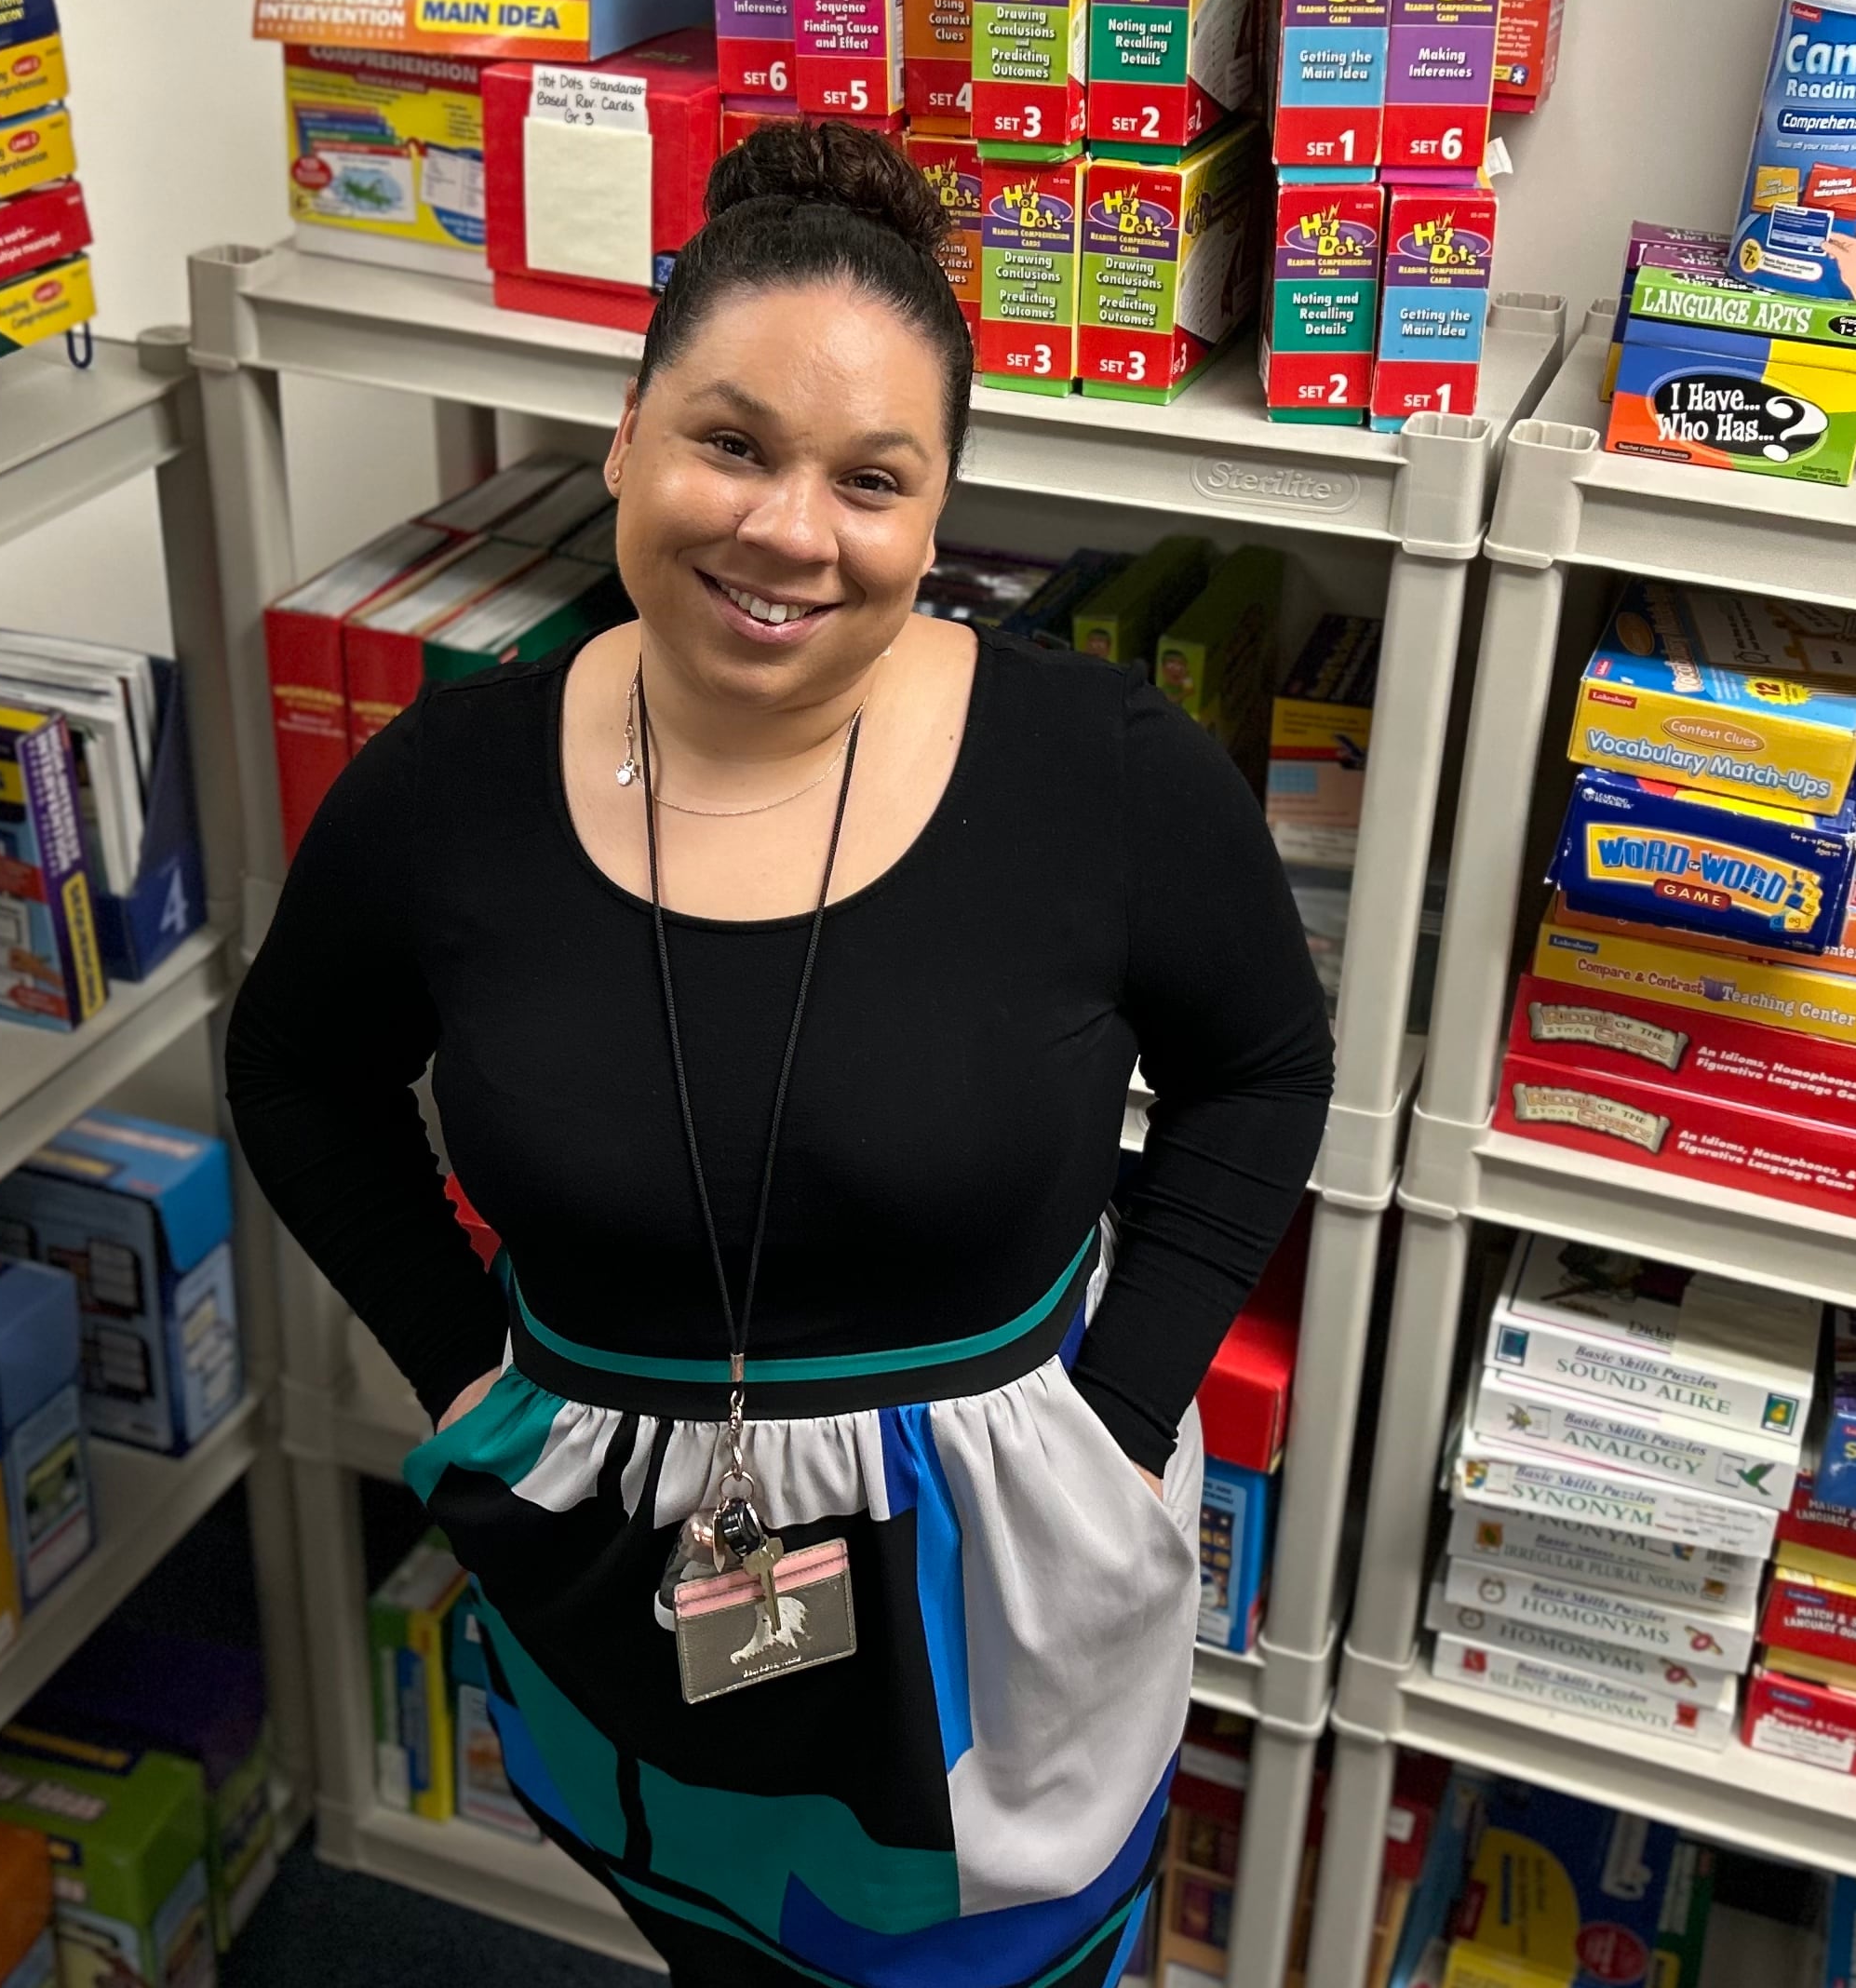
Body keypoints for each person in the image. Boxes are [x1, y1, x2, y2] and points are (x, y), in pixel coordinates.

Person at [227, 119, 1334, 1987]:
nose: (789, 530)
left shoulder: (1106, 774)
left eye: (872, 480)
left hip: (1001, 1583)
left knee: (1001, 1969)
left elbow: (1265, 1071)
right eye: (732, 443)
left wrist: (1121, 1411)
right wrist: (467, 1381)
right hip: (618, 1578)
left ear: (938, 510)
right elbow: (295, 1077)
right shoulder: (452, 788)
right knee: (719, 1947)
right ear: (627, 441)